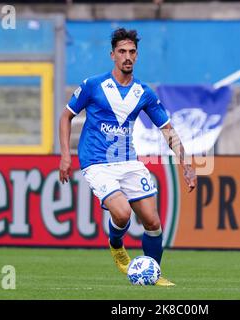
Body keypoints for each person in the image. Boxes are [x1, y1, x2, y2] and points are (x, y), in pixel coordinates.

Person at [58, 28, 196, 287]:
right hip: (97, 162)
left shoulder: (144, 93)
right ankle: (116, 244)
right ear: (112, 55)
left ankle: (154, 274)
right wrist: (66, 155)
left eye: (132, 52)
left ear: (137, 55)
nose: (127, 56)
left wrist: (186, 163)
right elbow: (66, 117)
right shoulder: (92, 86)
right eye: (122, 51)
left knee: (153, 222)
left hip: (128, 162)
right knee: (121, 215)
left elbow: (167, 130)